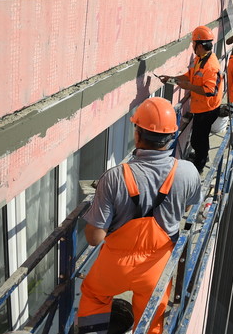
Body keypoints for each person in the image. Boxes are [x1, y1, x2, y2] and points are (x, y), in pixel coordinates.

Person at [77, 97, 202, 334]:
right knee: (152, 317)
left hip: (114, 266)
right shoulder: (187, 172)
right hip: (157, 267)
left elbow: (94, 238)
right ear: (172, 135)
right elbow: (186, 209)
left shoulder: (113, 177)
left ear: (137, 134)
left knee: (94, 295)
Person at [161, 26, 223, 173]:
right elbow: (190, 75)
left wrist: (188, 86)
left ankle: (199, 166)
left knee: (198, 139)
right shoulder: (200, 58)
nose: (192, 46)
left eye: (193, 43)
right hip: (202, 107)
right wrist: (173, 79)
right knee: (200, 138)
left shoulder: (210, 66)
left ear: (200, 45)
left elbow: (210, 91)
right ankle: (202, 156)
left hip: (208, 109)